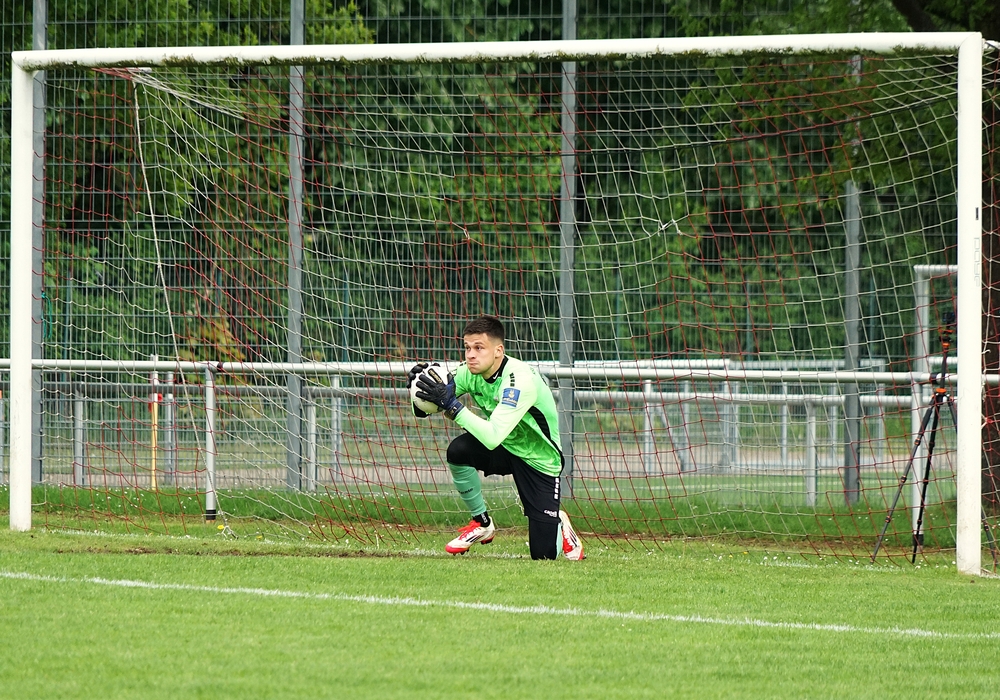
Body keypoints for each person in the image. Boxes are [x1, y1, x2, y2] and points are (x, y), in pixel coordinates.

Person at [408, 315, 584, 560]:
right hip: (505, 445)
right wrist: (418, 392)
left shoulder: (519, 380)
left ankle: (558, 522)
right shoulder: (469, 372)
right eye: (467, 348)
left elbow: (491, 436)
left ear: (498, 351)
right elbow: (434, 403)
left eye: (479, 348)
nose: (471, 355)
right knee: (458, 451)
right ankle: (481, 522)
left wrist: (452, 406)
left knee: (544, 556)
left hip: (539, 459)